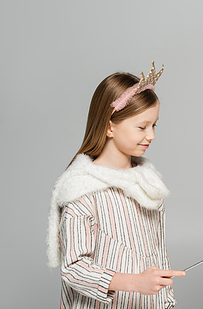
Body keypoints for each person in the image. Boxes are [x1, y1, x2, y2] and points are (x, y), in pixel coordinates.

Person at [46, 62, 185, 309]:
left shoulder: (148, 186)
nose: (151, 135)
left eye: (154, 125)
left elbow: (158, 254)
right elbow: (73, 268)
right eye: (142, 127)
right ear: (110, 126)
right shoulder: (83, 190)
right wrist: (134, 282)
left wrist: (166, 301)